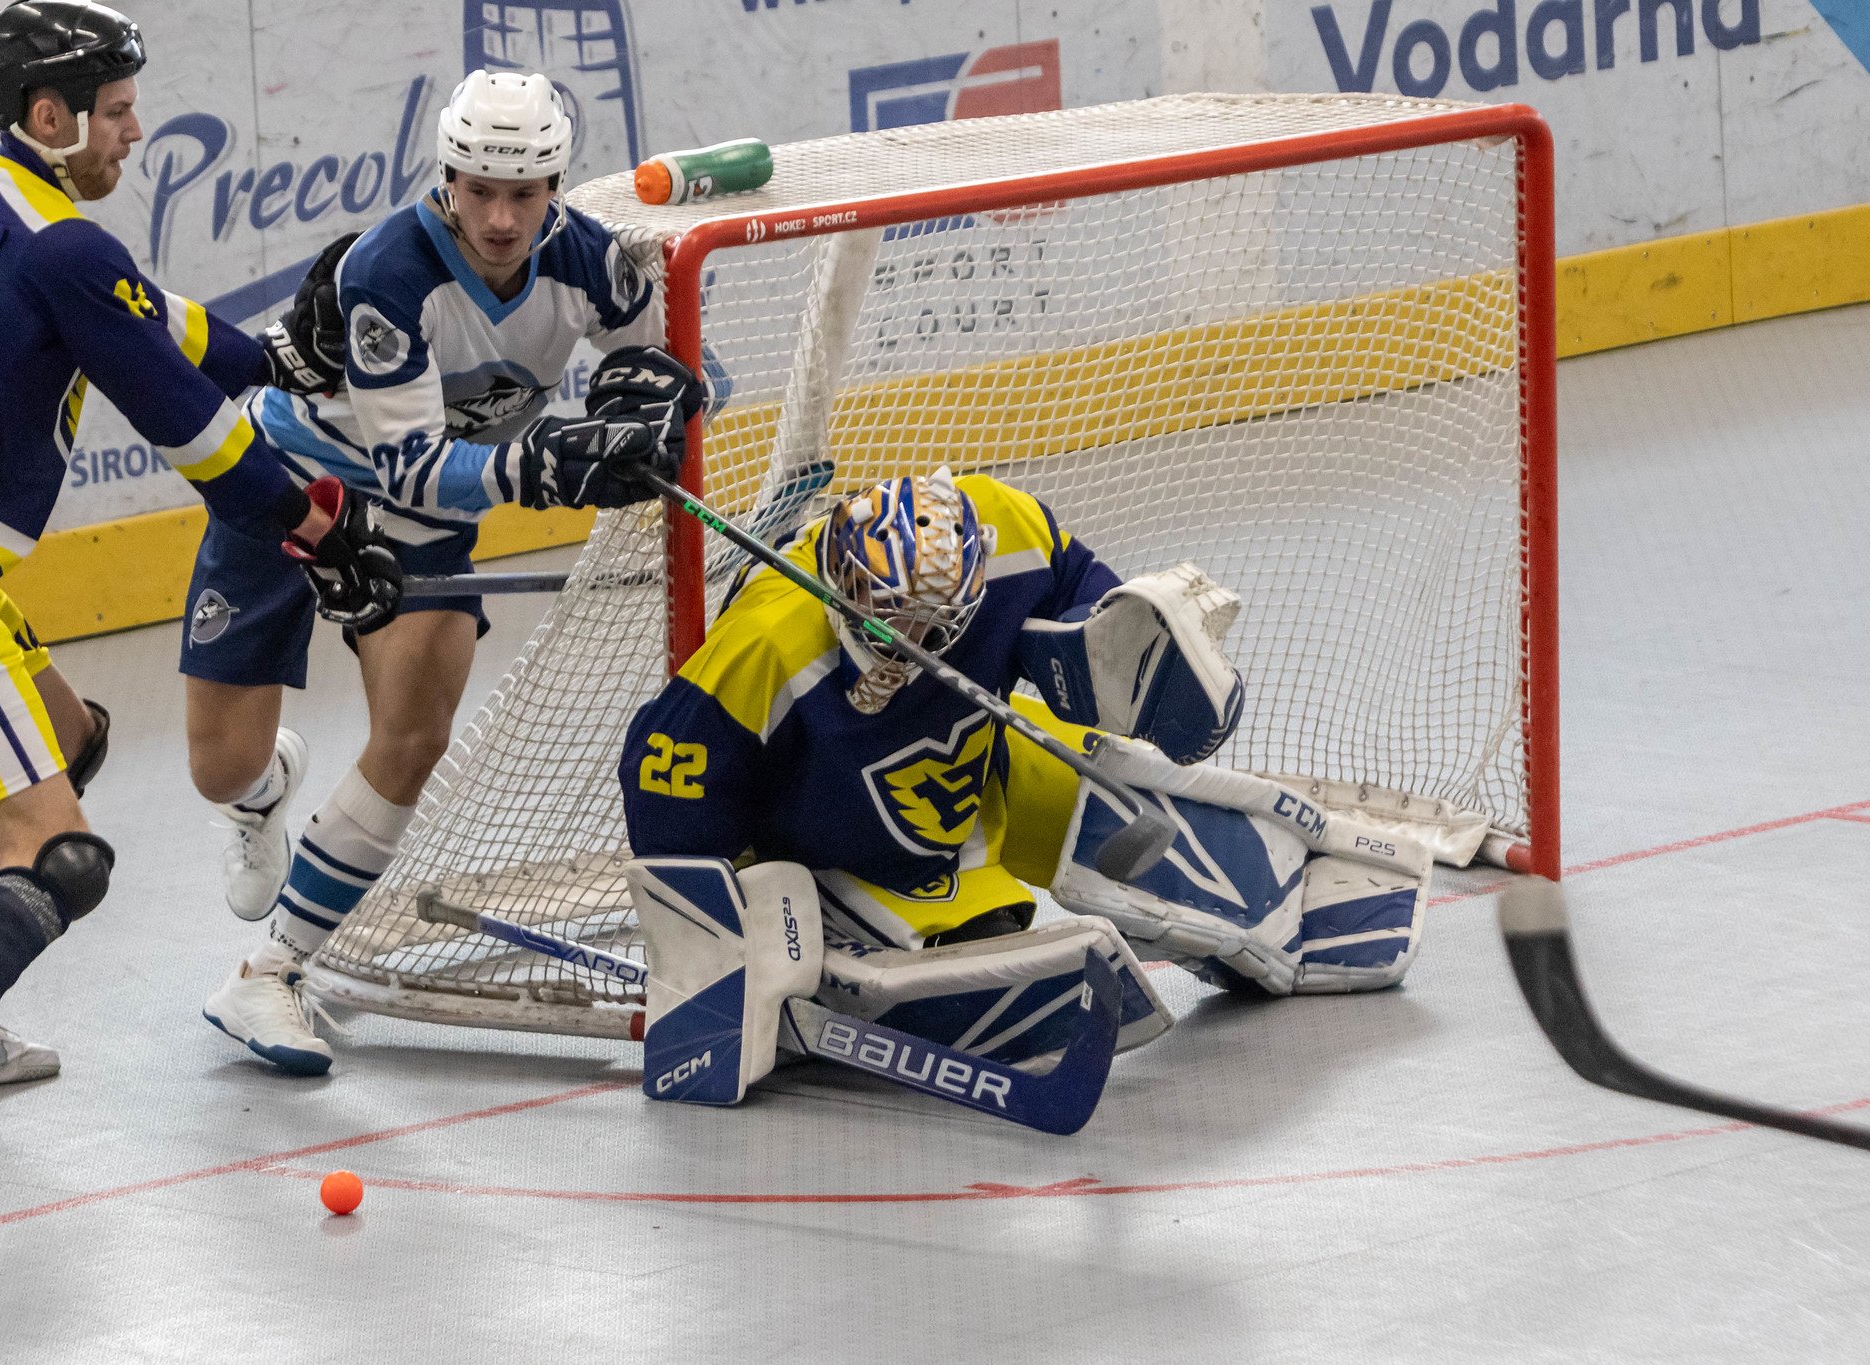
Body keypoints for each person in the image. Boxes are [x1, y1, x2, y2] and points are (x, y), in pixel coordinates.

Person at [0, 0, 398, 1223]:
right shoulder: (60, 248)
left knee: (69, 736)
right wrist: (319, 528)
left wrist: (280, 358)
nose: (136, 132)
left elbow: (154, 322)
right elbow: (198, 440)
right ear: (52, 115)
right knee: (59, 858)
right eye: (119, 111)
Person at [616, 469, 1435, 1108]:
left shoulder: (1008, 531)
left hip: (981, 774)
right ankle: (878, 934)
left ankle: (1297, 899)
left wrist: (1112, 647)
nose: (905, 645)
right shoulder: (769, 639)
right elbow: (662, 777)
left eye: (929, 630)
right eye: (885, 622)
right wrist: (722, 933)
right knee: (991, 969)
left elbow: (1078, 585)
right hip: (831, 847)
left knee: (1134, 806)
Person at [181, 68, 700, 1076]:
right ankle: (262, 789)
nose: (502, 219)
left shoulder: (594, 261)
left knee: (415, 735)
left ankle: (270, 972)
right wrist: (544, 463)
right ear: (447, 179)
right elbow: (412, 462)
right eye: (480, 191)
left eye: (525, 193)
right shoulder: (391, 271)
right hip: (295, 482)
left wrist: (648, 411)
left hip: (424, 512)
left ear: (555, 186)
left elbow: (664, 369)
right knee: (219, 766)